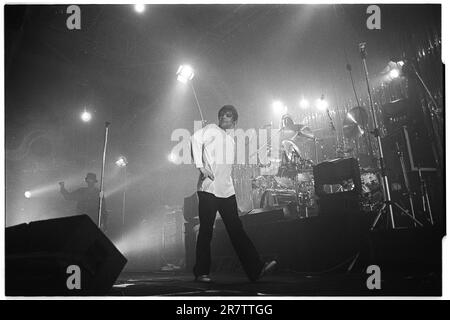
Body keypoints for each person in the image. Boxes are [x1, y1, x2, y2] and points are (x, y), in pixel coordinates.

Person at [191, 105, 277, 283]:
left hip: (226, 191)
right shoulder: (212, 129)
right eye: (222, 114)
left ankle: (255, 268)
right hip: (209, 188)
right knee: (206, 230)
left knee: (236, 230)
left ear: (234, 121)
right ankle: (201, 272)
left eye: (228, 115)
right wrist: (201, 167)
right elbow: (194, 139)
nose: (223, 117)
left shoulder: (231, 140)